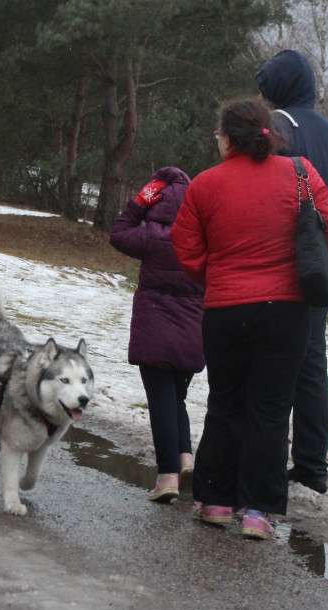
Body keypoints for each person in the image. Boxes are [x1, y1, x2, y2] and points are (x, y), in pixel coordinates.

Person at [170, 99, 328, 540]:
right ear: (267, 134)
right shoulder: (301, 173)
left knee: (226, 403)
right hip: (286, 313)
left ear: (228, 137)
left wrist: (220, 276)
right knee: (270, 408)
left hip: (225, 311)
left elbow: (186, 249)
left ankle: (214, 501)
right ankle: (257, 511)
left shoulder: (206, 185)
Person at [255, 49, 328, 495]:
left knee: (267, 362)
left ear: (277, 88)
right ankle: (313, 466)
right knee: (312, 365)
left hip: (273, 265)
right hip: (319, 269)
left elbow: (257, 192)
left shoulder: (276, 126)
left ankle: (264, 460)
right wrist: (323, 246)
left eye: (265, 86)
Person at [109, 167, 203, 503]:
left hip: (155, 328)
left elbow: (118, 233)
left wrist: (139, 202)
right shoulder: (202, 238)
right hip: (194, 330)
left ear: (157, 201)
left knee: (162, 401)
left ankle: (167, 477)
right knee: (175, 397)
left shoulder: (149, 236)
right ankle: (185, 457)